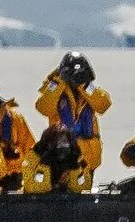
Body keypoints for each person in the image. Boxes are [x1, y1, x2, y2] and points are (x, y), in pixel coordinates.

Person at [33, 53, 111, 184]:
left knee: (83, 194)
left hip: (88, 157)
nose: (76, 77)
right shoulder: (55, 89)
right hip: (62, 155)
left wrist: (84, 85)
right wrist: (60, 83)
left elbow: (104, 105)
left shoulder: (88, 90)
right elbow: (43, 108)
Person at [23, 125, 89, 194]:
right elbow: (33, 188)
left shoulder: (75, 155)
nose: (62, 146)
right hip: (36, 200)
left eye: (65, 142)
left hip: (67, 200)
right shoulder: (34, 156)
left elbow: (83, 187)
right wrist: (44, 166)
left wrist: (76, 169)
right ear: (49, 144)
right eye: (58, 143)